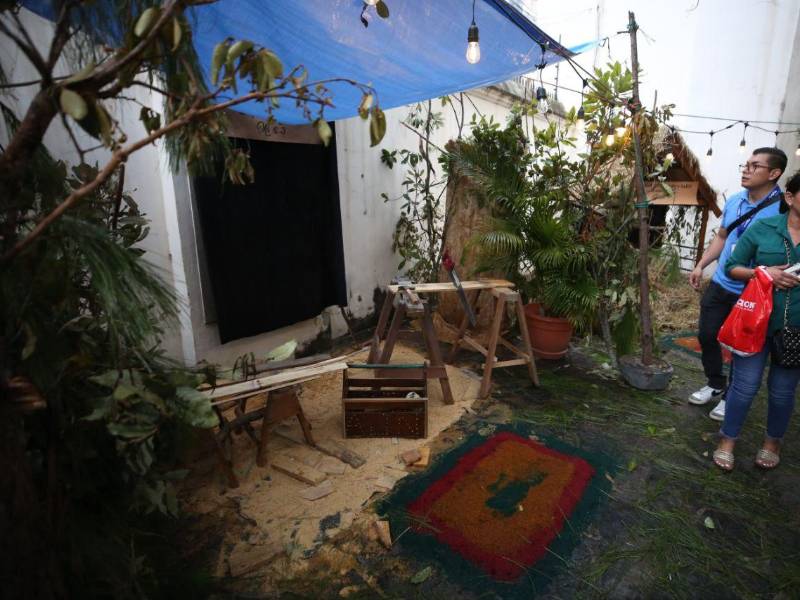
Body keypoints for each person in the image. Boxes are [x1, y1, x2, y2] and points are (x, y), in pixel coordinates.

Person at [688, 148, 787, 421]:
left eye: (755, 166)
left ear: (774, 173)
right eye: (746, 164)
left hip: (753, 291)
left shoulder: (783, 209)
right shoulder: (735, 200)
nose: (746, 170)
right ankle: (715, 382)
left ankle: (731, 396)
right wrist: (701, 264)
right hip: (722, 283)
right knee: (707, 334)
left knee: (741, 347)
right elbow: (722, 236)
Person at [713, 170, 800, 471]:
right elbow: (733, 266)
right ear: (790, 197)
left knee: (782, 391)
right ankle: (727, 440)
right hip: (756, 323)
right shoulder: (764, 228)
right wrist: (764, 273)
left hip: (795, 328)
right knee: (744, 386)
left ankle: (773, 442)